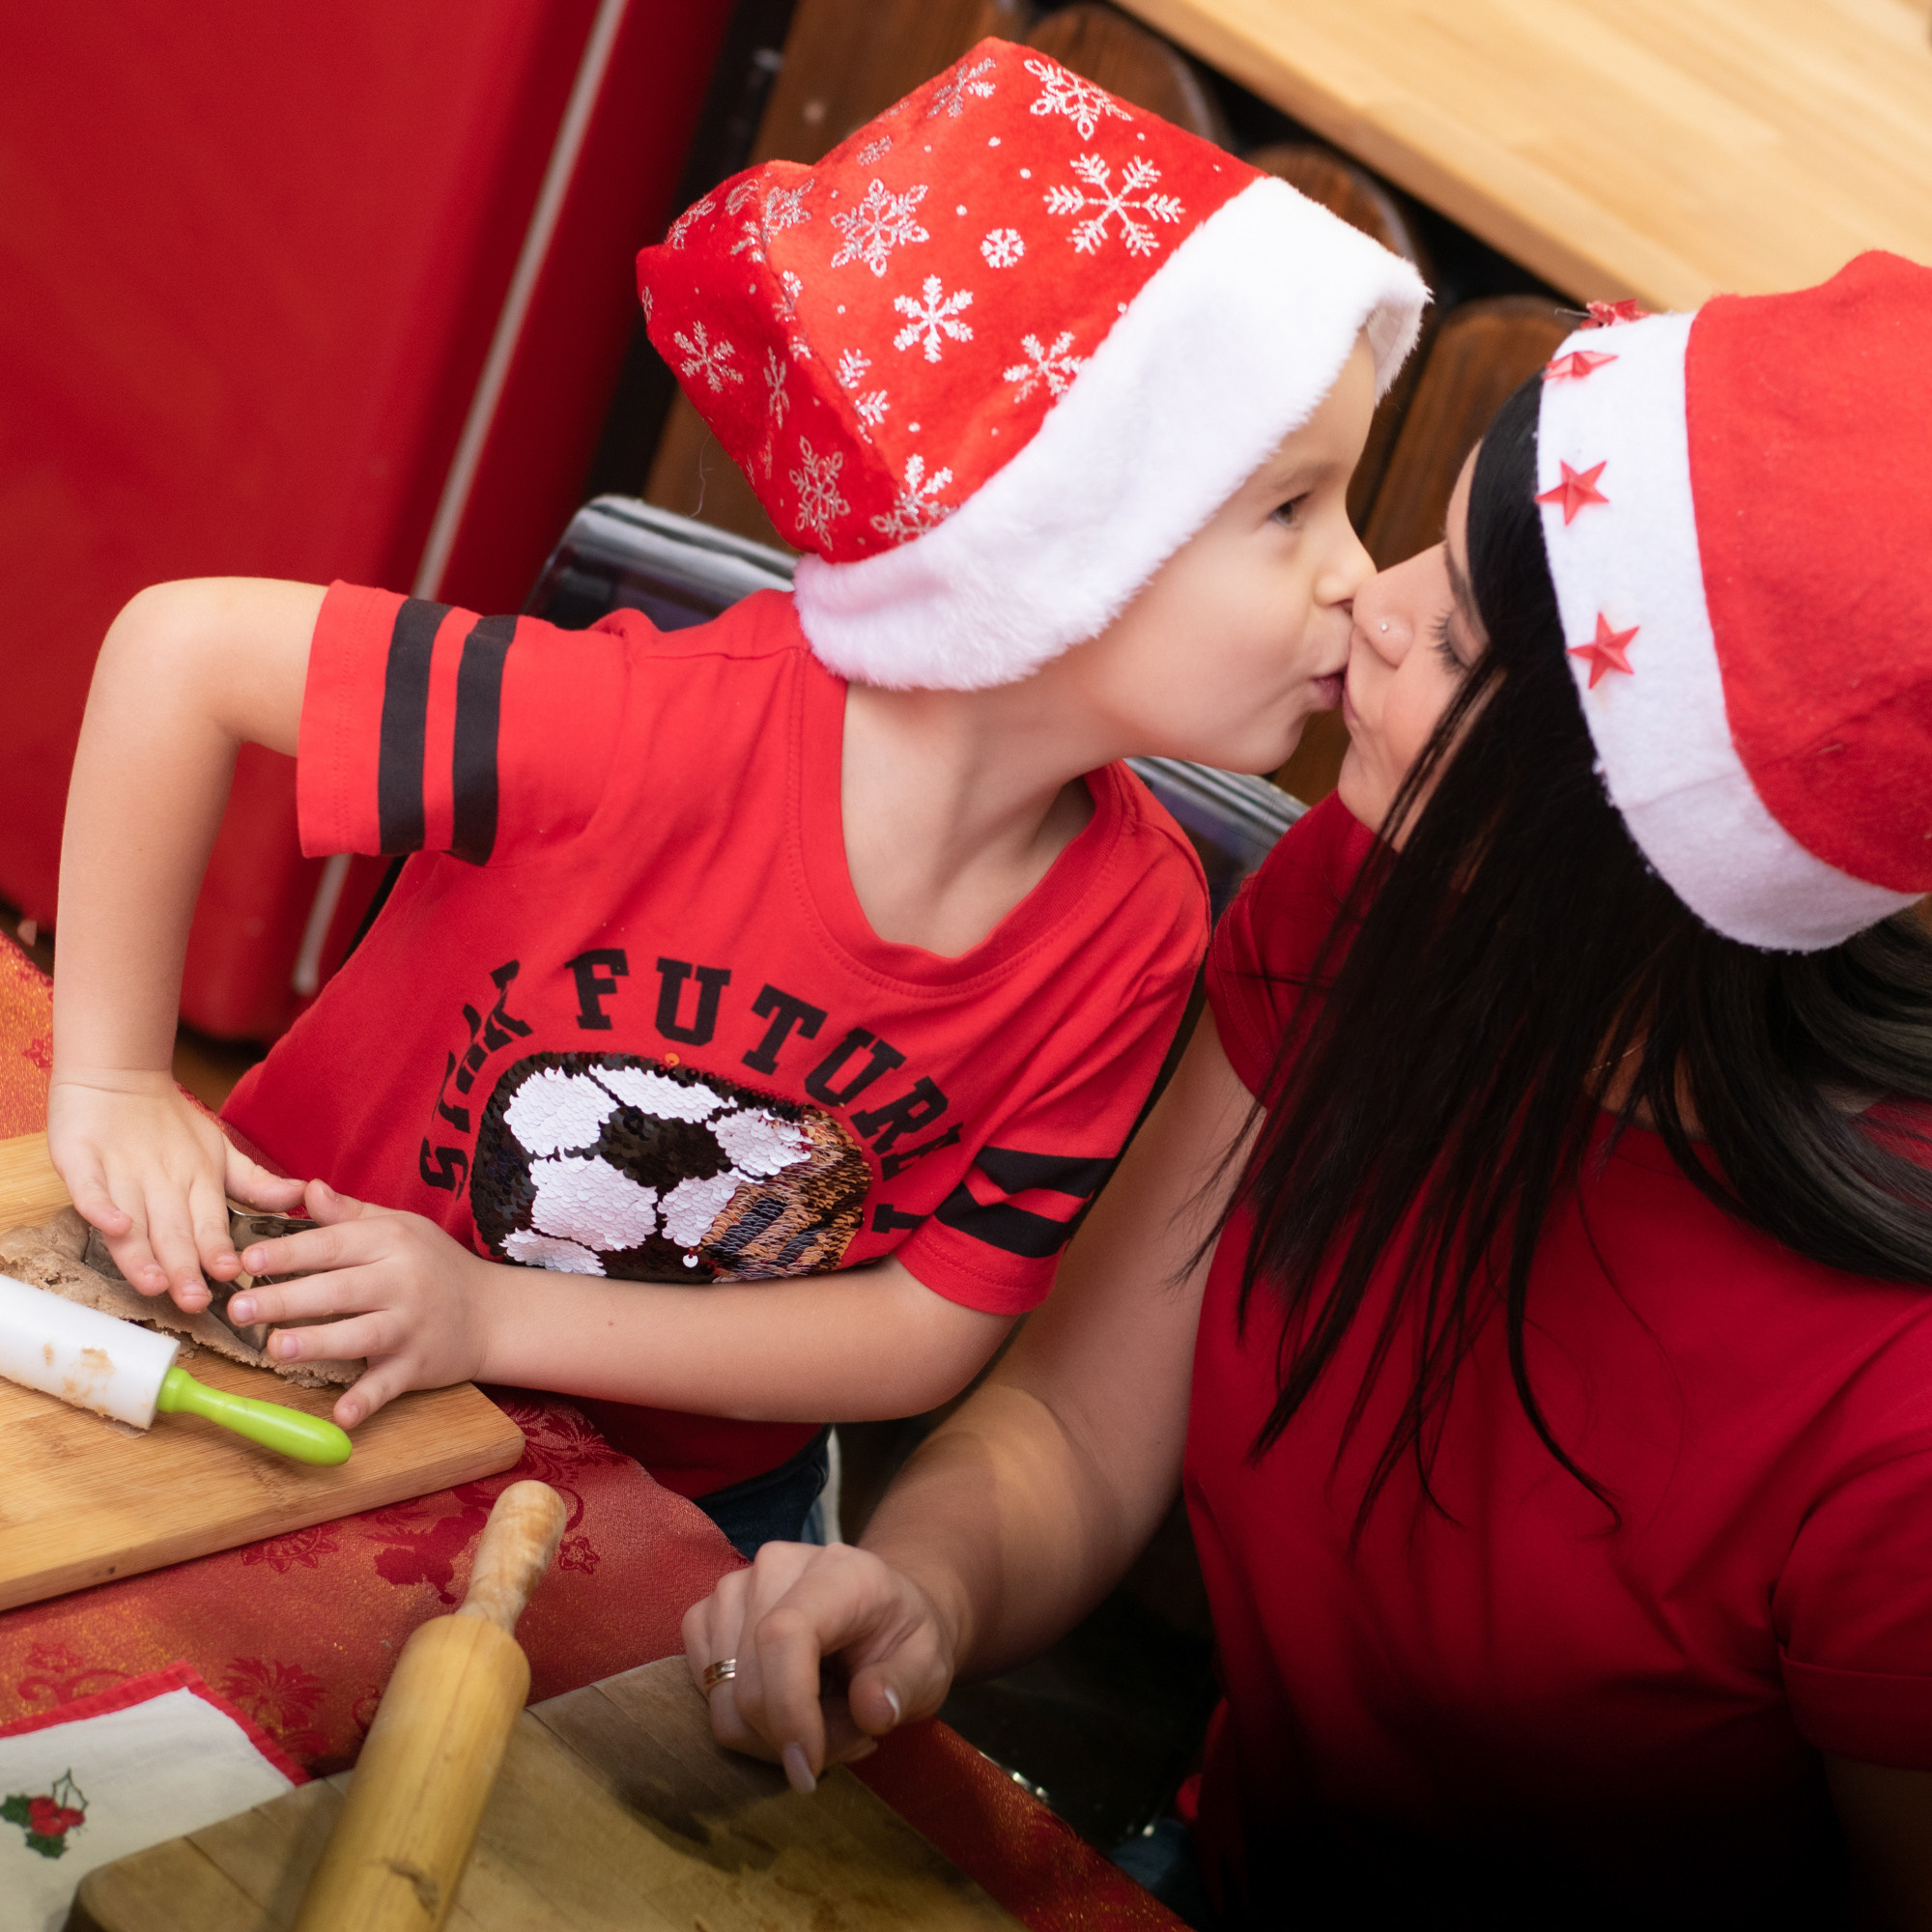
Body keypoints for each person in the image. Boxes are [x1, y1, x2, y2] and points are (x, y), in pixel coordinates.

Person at [681, 250, 1932, 1922]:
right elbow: (1072, 1423)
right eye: (1444, 541)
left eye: (1468, 639)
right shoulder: (1370, 893)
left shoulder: (1896, 1403)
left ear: (1647, 831)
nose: (1378, 600)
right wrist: (918, 1592)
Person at [45, 41, 1427, 1554]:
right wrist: (114, 1085)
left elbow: (922, 1329)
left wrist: (485, 1314)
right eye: (1289, 507)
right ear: (1056, 537)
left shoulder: (1142, 924)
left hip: (692, 1512)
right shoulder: (642, 730)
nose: (1359, 578)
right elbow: (176, 652)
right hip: (287, 1348)